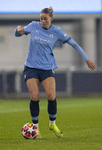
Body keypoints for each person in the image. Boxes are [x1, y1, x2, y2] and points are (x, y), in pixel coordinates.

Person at [15, 7, 95, 138]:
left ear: (51, 18)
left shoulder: (57, 31)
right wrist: (18, 29)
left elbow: (74, 44)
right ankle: (35, 128)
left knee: (51, 96)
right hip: (31, 67)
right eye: (41, 18)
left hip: (47, 68)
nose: (42, 21)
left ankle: (52, 124)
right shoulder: (33, 26)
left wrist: (87, 60)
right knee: (34, 97)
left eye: (45, 19)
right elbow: (18, 33)